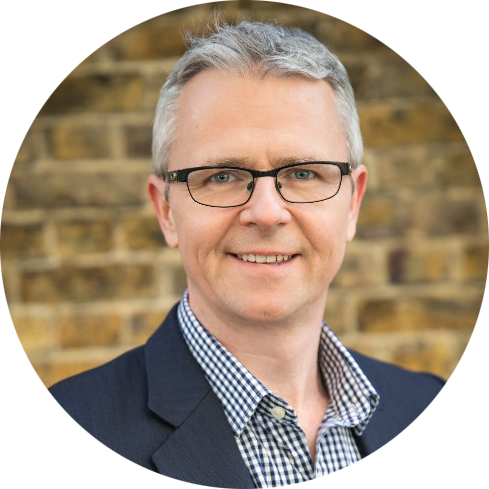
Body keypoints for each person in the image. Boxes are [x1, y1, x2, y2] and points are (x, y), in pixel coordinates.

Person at [0, 20, 482, 489]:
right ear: (166, 209)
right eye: (222, 176)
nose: (267, 213)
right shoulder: (43, 452)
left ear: (352, 202)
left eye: (304, 173)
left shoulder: (435, 417)